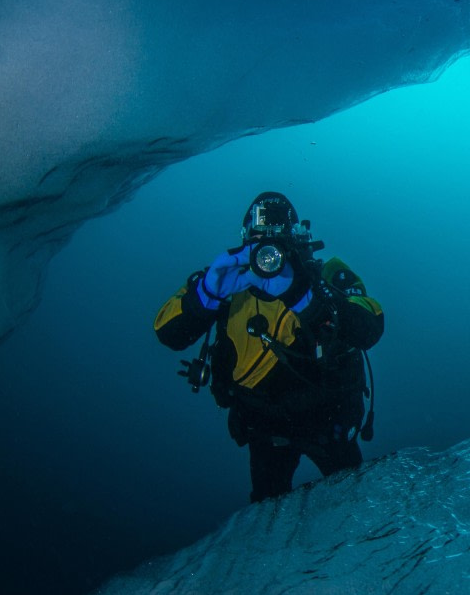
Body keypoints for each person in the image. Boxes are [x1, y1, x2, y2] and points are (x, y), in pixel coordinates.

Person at [154, 191, 384, 502]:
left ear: (297, 238)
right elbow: (169, 334)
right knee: (267, 509)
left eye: (278, 240)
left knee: (355, 501)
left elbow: (370, 327)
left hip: (329, 421)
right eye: (259, 240)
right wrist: (206, 295)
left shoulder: (326, 278)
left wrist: (304, 297)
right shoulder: (226, 283)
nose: (268, 252)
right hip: (263, 427)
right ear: (245, 239)